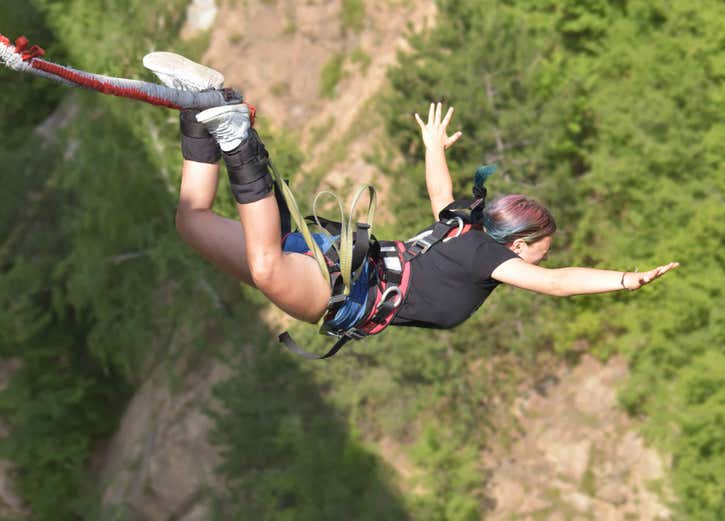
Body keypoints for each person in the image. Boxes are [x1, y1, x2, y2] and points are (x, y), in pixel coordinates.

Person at [145, 53, 678, 348]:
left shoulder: (458, 228)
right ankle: (234, 135)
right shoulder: (490, 258)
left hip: (336, 255)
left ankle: (200, 108)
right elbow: (559, 284)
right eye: (542, 249)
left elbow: (439, 193)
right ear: (519, 244)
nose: (543, 260)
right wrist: (626, 280)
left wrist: (432, 149)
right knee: (263, 268)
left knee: (191, 223)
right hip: (344, 290)